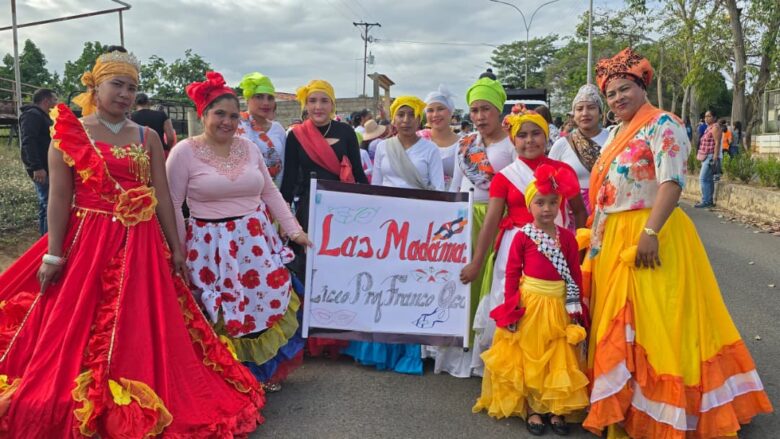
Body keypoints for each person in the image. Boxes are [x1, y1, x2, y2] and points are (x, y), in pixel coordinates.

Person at [0, 48, 264, 437]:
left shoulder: (147, 136)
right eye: (117, 85)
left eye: (132, 88)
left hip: (142, 244)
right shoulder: (70, 132)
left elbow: (163, 196)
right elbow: (59, 197)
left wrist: (177, 248)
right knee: (78, 319)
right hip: (88, 241)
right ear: (95, 86)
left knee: (142, 320)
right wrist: (53, 254)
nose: (125, 94)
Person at [583, 47, 772, 438]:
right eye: (611, 94)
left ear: (642, 86)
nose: (617, 98)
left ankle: (667, 412)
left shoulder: (663, 124)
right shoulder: (615, 132)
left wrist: (650, 233)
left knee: (658, 324)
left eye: (624, 89)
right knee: (619, 324)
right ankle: (624, 407)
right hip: (613, 235)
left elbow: (671, 183)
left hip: (653, 232)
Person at [167, 71, 311, 393]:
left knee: (261, 303)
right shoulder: (184, 152)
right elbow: (174, 204)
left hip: (256, 242)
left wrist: (294, 230)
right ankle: (229, 380)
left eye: (233, 116)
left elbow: (270, 192)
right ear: (203, 115)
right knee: (222, 310)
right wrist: (179, 250)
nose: (227, 122)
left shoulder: (248, 147)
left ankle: (261, 373)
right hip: (210, 247)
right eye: (219, 114)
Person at [461, 103, 587, 378]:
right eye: (522, 135)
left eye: (536, 133)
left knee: (553, 308)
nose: (529, 140)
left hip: (555, 247)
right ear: (513, 140)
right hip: (514, 249)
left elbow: (579, 211)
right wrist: (477, 262)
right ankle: (515, 375)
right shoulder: (505, 177)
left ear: (546, 136)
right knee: (516, 305)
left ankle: (550, 373)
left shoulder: (562, 170)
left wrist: (579, 251)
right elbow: (492, 221)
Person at [472, 164, 589, 437]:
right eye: (540, 203)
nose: (547, 209)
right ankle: (534, 408)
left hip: (558, 305)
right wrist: (512, 305)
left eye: (553, 203)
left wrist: (576, 307)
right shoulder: (523, 236)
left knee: (557, 357)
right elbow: (512, 273)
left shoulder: (568, 238)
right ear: (529, 205)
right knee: (532, 356)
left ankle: (556, 407)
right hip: (531, 305)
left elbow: (574, 273)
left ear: (560, 205)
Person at [344, 96, 444, 375]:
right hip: (387, 226)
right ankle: (381, 348)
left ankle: (410, 350)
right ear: (393, 118)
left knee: (413, 284)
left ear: (419, 119)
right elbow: (377, 186)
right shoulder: (383, 147)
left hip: (418, 225)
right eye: (401, 115)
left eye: (411, 115)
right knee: (386, 283)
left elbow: (438, 190)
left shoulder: (430, 150)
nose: (406, 120)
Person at [281, 79, 368, 357]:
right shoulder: (296, 135)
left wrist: (374, 205)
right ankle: (311, 336)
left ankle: (341, 331)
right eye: (312, 101)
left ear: (333, 104)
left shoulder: (346, 132)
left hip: (342, 209)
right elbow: (289, 179)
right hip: (310, 208)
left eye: (324, 101)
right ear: (305, 105)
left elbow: (358, 173)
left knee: (340, 268)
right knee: (311, 267)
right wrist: (283, 218)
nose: (318, 107)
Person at [446, 77, 516, 377]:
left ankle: (488, 353)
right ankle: (459, 350)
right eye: (474, 110)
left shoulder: (512, 143)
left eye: (485, 109)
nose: (479, 116)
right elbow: (455, 185)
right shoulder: (465, 145)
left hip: (498, 219)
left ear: (499, 110)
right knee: (463, 282)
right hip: (464, 219)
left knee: (491, 281)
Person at [548, 84, 609, 216]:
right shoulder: (562, 145)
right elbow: (548, 182)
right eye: (579, 109)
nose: (585, 113)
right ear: (574, 115)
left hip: (608, 210)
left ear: (600, 113)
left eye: (591, 108)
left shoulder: (614, 139)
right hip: (574, 214)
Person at [237, 72, 287, 187]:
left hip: (273, 190)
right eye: (259, 97)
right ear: (247, 99)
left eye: (270, 98)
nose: (266, 103)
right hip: (240, 190)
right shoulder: (236, 124)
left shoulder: (278, 129)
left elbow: (283, 164)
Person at [19, 88, 57, 235]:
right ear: (46, 101)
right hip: (41, 168)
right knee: (49, 204)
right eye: (54, 100)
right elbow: (28, 142)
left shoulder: (41, 116)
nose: (56, 103)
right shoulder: (32, 115)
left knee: (45, 204)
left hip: (45, 167)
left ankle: (44, 237)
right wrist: (37, 167)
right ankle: (48, 240)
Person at [424, 84, 460, 189]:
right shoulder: (418, 139)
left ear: (451, 112)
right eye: (430, 110)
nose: (435, 115)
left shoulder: (464, 144)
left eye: (440, 109)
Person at [695, 109, 722, 208]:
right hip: (705, 156)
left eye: (709, 116)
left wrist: (715, 157)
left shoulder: (715, 128)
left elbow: (717, 143)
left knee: (703, 178)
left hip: (710, 156)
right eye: (705, 116)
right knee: (708, 179)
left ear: (714, 117)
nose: (706, 118)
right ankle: (709, 200)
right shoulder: (708, 127)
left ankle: (706, 201)